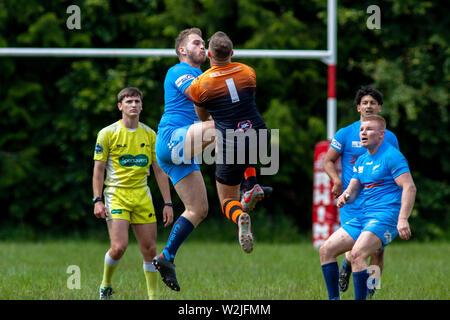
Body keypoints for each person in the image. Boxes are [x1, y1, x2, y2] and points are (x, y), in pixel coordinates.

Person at [189, 31, 271, 255]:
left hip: (231, 142)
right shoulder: (248, 72)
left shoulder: (200, 83)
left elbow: (203, 117)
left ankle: (240, 217)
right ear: (232, 53)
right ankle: (252, 183)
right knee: (248, 155)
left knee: (226, 199)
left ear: (208, 54)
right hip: (259, 132)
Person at [319, 115, 416, 300]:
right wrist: (345, 197)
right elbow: (352, 191)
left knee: (357, 254)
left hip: (385, 216)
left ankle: (367, 294)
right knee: (326, 250)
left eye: (369, 130)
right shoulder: (362, 160)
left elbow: (409, 187)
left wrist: (403, 219)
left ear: (381, 135)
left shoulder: (392, 156)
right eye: (362, 130)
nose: (363, 133)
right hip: (364, 215)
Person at [93, 87, 174, 300]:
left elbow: (159, 170)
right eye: (129, 101)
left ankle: (153, 297)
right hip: (116, 194)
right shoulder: (107, 133)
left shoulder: (149, 134)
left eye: (137, 101)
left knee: (150, 250)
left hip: (141, 195)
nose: (134, 105)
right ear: (120, 106)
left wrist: (168, 203)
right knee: (119, 247)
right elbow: (98, 169)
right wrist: (97, 200)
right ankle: (106, 285)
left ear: (142, 106)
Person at [323, 86, 399, 296]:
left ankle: (371, 289)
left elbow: (394, 169)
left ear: (379, 108)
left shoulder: (389, 137)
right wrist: (337, 180)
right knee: (357, 248)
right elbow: (328, 160)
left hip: (379, 204)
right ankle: (348, 265)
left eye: (373, 103)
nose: (368, 106)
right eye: (364, 103)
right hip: (352, 202)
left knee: (377, 252)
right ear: (358, 108)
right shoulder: (345, 133)